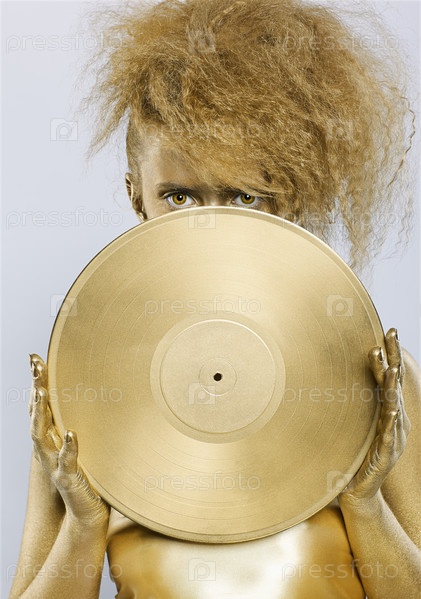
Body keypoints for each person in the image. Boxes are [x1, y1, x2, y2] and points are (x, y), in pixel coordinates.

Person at [9, 0, 421, 597]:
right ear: (136, 197)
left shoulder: (375, 375)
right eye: (179, 196)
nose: (210, 225)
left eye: (245, 196)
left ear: (291, 198)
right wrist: (84, 523)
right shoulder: (80, 386)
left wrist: (363, 502)